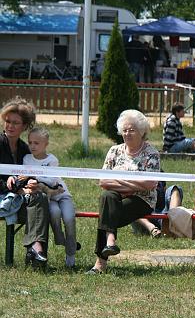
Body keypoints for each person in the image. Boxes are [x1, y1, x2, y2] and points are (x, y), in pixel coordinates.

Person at [87, 109, 161, 274]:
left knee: (106, 212)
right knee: (107, 196)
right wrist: (133, 185)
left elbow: (149, 184)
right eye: (124, 130)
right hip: (115, 197)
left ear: (142, 132)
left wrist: (120, 183)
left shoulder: (151, 153)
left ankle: (100, 263)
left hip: (142, 201)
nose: (127, 133)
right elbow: (103, 181)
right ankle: (110, 242)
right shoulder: (114, 151)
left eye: (132, 129)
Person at [0, 97, 50, 268]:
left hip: (18, 198)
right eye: (7, 121)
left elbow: (31, 174)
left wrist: (32, 184)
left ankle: (36, 250)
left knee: (41, 197)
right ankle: (36, 250)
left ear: (25, 126)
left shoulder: (26, 149)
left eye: (15, 122)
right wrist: (11, 186)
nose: (10, 126)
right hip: (3, 197)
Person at [23, 127, 79, 267]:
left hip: (61, 194)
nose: (32, 146)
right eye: (30, 142)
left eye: (36, 143)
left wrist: (35, 177)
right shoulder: (27, 158)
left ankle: (70, 253)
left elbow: (53, 181)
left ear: (46, 144)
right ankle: (61, 240)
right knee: (54, 213)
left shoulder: (52, 160)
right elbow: (26, 178)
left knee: (69, 218)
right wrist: (31, 180)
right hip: (48, 198)